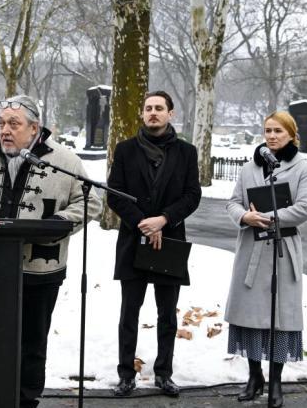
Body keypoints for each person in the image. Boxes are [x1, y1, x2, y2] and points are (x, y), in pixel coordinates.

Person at [0, 94, 102, 408]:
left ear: (34, 128)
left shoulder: (64, 160)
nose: (5, 130)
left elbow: (90, 202)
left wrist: (59, 223)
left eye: (14, 124)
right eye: (2, 123)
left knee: (32, 344)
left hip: (40, 271)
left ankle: (25, 401)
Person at [106, 90, 201, 398]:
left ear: (170, 113)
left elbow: (192, 195)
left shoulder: (186, 152)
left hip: (169, 242)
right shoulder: (125, 150)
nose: (153, 112)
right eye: (148, 108)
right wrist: (143, 223)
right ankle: (125, 375)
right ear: (142, 113)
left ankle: (164, 373)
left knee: (167, 315)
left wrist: (163, 220)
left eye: (159, 108)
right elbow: (114, 193)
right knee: (128, 314)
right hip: (134, 241)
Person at [224, 111, 307, 408]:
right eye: (268, 130)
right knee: (250, 316)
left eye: (278, 131)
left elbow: (304, 208)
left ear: (291, 134)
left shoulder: (303, 168)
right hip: (251, 250)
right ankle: (254, 377)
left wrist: (268, 216)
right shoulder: (249, 168)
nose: (272, 136)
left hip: (282, 251)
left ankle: (276, 381)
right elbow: (233, 203)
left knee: (280, 318)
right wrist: (244, 216)